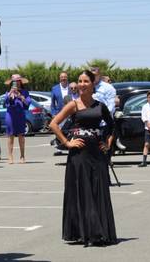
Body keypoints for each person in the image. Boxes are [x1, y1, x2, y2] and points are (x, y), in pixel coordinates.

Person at [49, 69, 117, 247]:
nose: (81, 84)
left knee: (97, 190)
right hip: (78, 155)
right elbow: (54, 123)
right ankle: (82, 232)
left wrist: (108, 143)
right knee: (82, 191)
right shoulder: (73, 104)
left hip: (97, 153)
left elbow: (111, 125)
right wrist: (67, 143)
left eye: (86, 81)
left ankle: (98, 231)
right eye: (79, 81)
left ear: (93, 84)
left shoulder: (99, 106)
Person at [4, 74, 31, 164]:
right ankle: (10, 156)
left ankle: (22, 156)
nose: (16, 83)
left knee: (21, 136)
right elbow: (6, 102)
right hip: (10, 115)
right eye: (14, 82)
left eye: (18, 81)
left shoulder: (25, 92)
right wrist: (10, 94)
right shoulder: (8, 92)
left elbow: (27, 103)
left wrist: (20, 96)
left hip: (20, 115)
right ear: (12, 83)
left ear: (20, 82)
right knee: (10, 136)